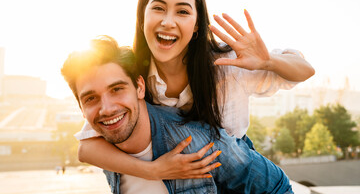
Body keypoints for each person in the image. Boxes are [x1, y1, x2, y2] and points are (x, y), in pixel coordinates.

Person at [76, 0, 315, 179]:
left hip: (237, 172)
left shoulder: (229, 65)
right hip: (178, 181)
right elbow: (86, 147)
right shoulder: (128, 73)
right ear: (142, 18)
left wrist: (268, 62)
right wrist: (154, 170)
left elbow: (305, 70)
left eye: (182, 12)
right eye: (158, 8)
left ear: (197, 25)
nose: (168, 22)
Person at [61, 36, 293, 194]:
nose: (107, 108)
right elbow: (84, 150)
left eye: (117, 89)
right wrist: (153, 171)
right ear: (81, 107)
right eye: (91, 98)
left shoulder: (199, 144)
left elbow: (276, 186)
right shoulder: (108, 143)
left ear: (140, 87)